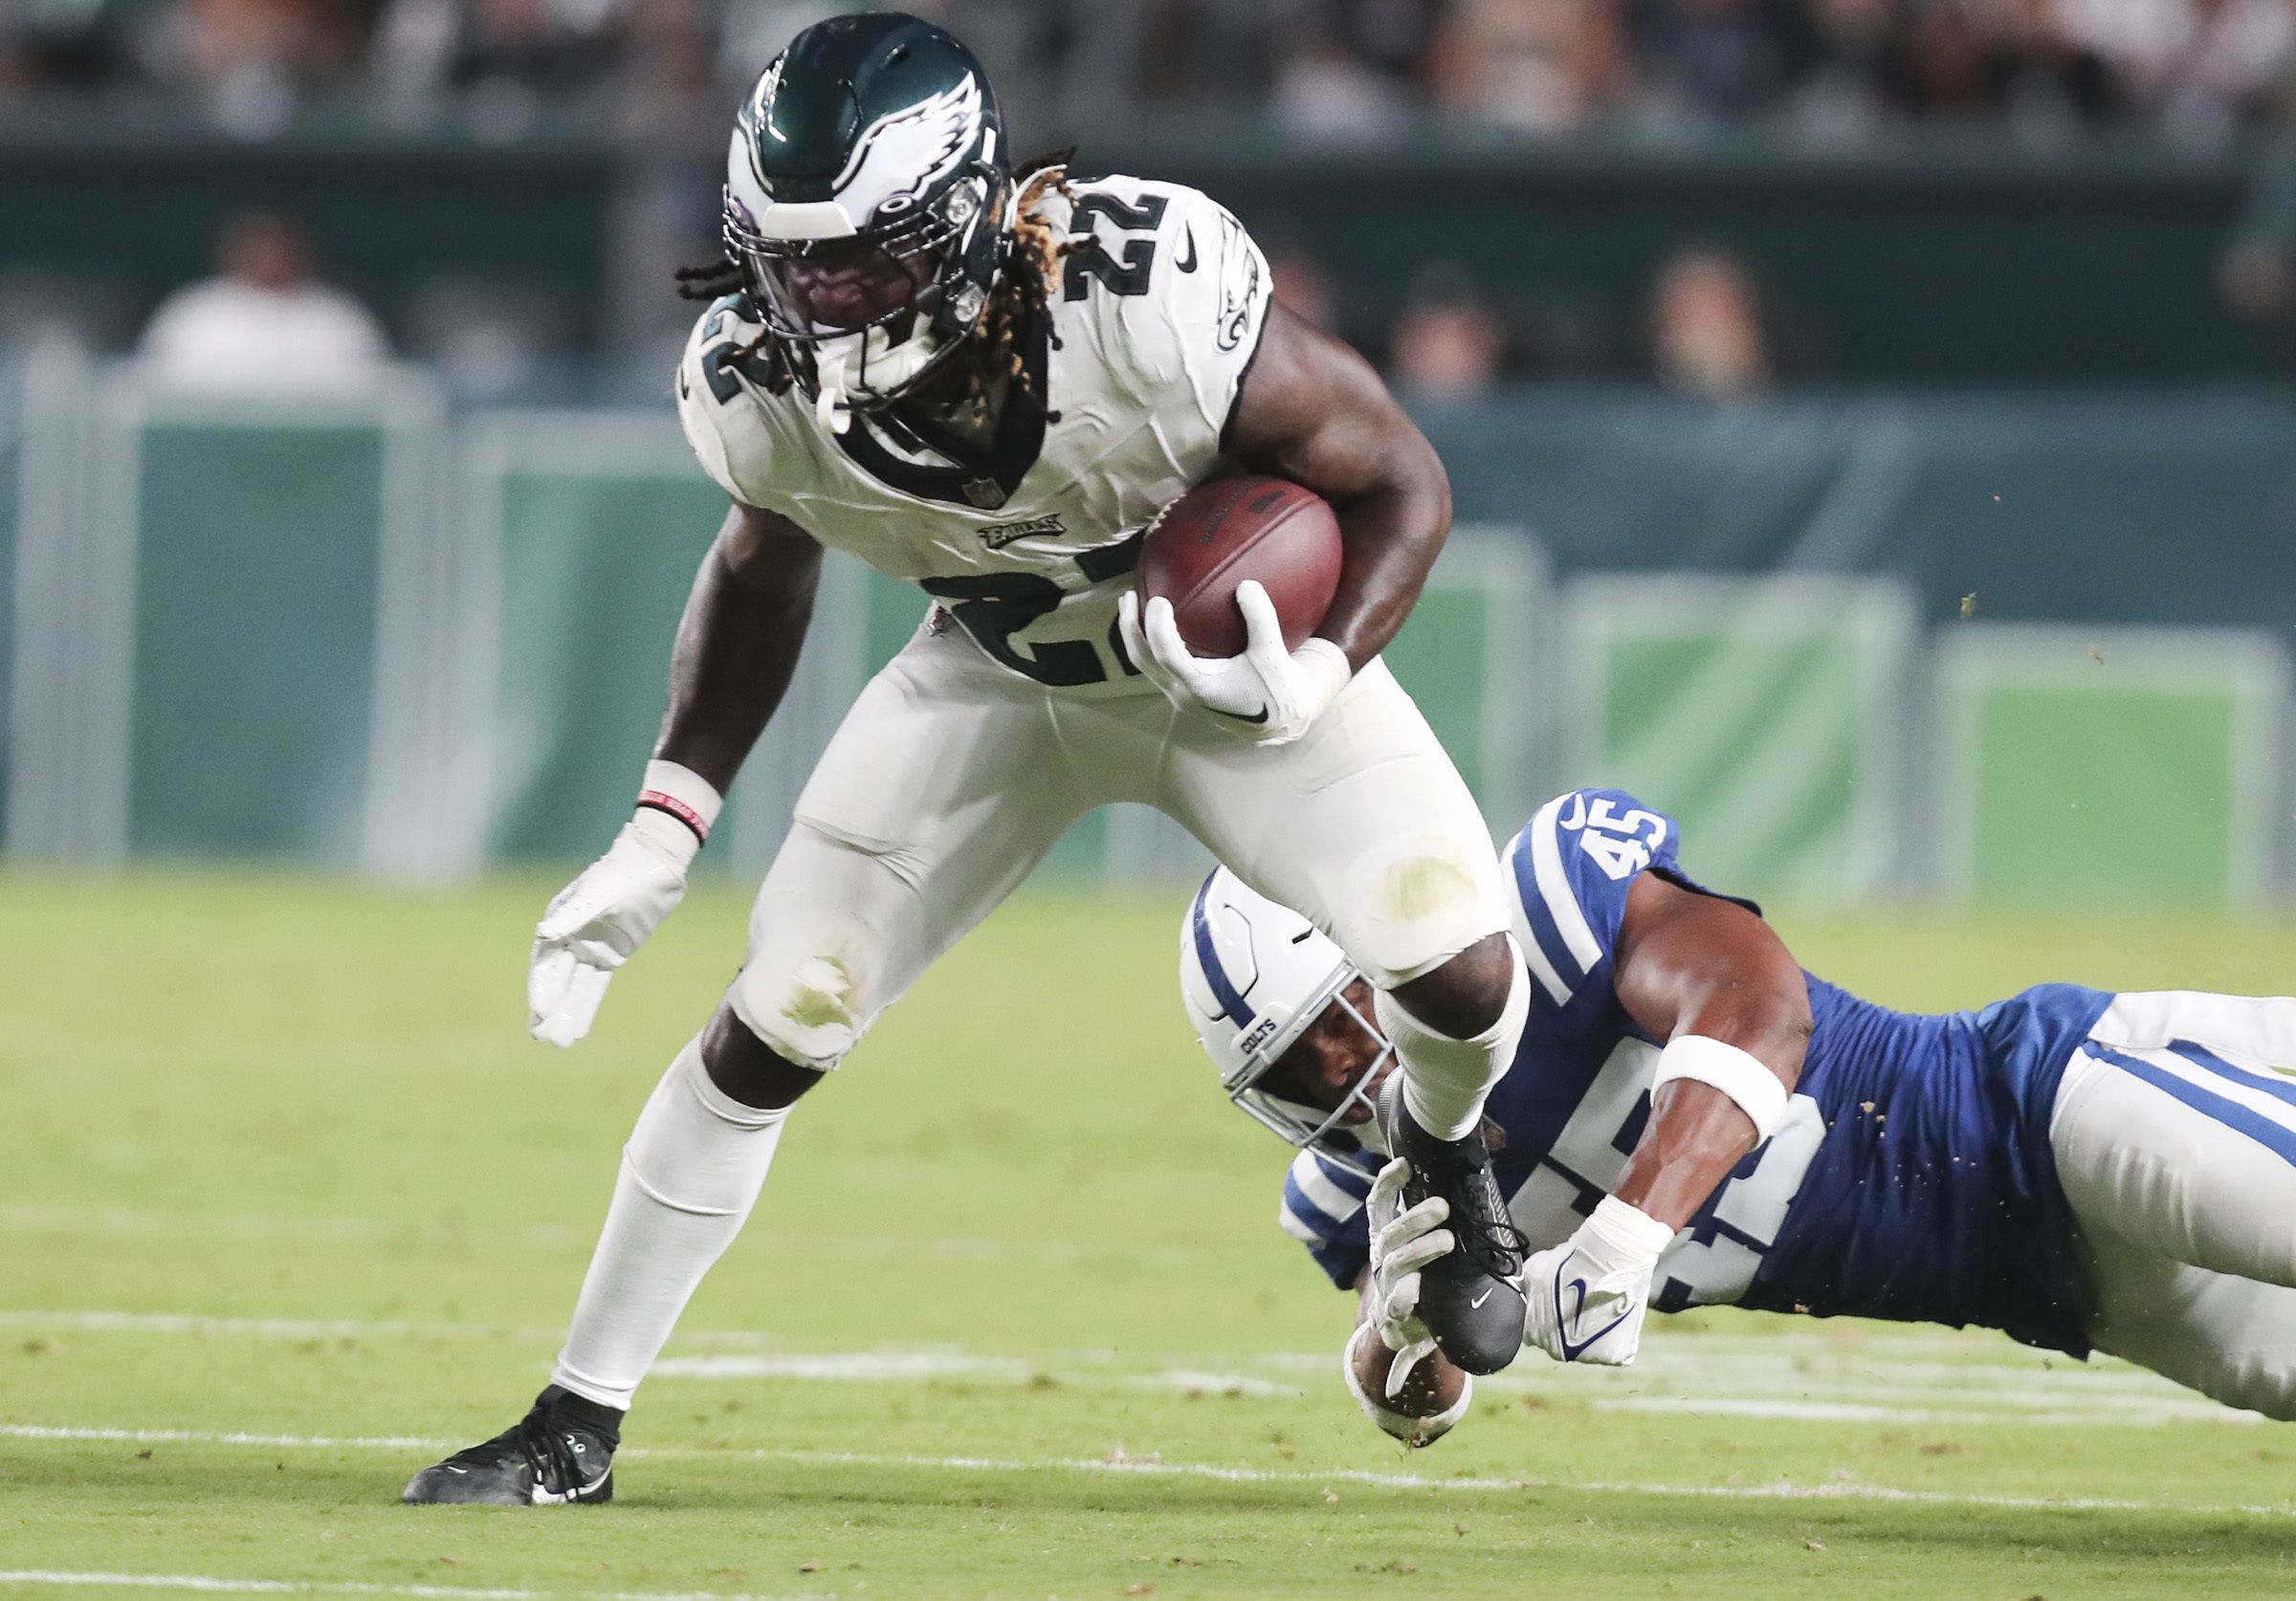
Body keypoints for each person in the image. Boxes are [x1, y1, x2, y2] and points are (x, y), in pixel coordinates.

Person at [403, 11, 1532, 1506]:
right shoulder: (760, 375)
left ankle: (1446, 1165)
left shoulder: (1144, 294)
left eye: (855, 260)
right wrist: (666, 822)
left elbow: (1401, 479)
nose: (811, 296)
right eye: (788, 257)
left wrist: (1314, 668)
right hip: (1000, 684)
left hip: (1224, 683)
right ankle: (572, 1423)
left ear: (958, 226)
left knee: (1460, 970)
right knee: (778, 1014)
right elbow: (762, 564)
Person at [1183, 786, 2296, 1444]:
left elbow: (1759, 1005)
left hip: (2042, 1114)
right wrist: (1394, 1348)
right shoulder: (1355, 1194)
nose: (1345, 1076)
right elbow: (1436, 1373)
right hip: (2064, 1293)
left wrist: (1627, 1231)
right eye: (1297, 1075)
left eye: (1340, 1019)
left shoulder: (1541, 920)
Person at [138, 210, 388, 393]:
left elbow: (375, 394)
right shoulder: (194, 313)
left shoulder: (337, 317)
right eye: (260, 248)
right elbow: (153, 391)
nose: (270, 258)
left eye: (280, 248)